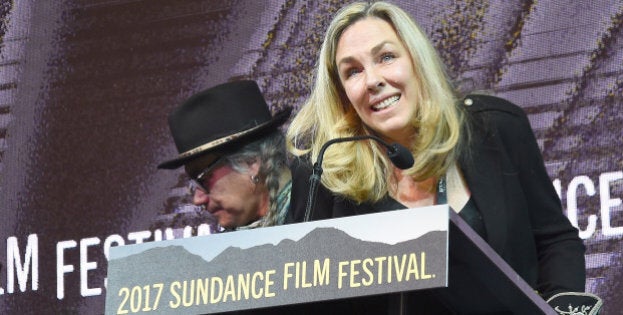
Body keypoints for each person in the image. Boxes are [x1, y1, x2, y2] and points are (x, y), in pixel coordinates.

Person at [286, 1, 597, 313]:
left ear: (417, 60)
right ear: (342, 93)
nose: (372, 80)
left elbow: (555, 240)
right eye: (353, 71)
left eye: (386, 57)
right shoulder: (324, 175)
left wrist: (556, 308)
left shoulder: (497, 128)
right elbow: (298, 287)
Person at [158, 80, 292, 231]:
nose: (197, 199)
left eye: (202, 180)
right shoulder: (222, 250)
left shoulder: (319, 216)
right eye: (193, 186)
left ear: (251, 163)